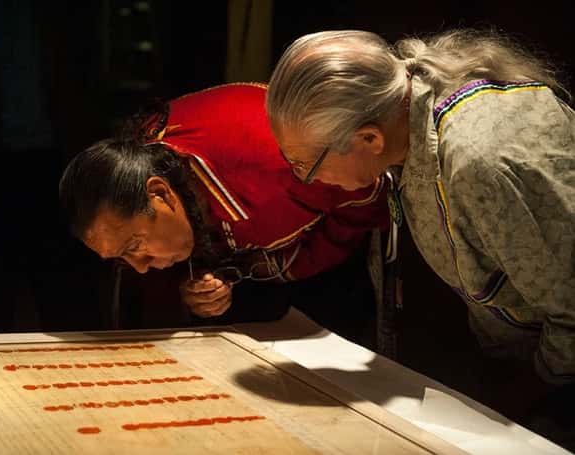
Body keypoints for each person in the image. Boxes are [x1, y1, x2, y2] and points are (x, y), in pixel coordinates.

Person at [265, 28, 574, 447]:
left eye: (307, 163)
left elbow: (571, 309)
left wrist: (519, 398)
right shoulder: (404, 120)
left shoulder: (478, 159)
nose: (310, 179)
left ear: (369, 138)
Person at [58, 83, 389, 326]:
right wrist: (206, 281)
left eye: (134, 246)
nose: (141, 267)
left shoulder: (283, 164)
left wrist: (271, 268)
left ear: (160, 193)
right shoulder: (142, 164)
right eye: (122, 258)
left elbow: (366, 192)